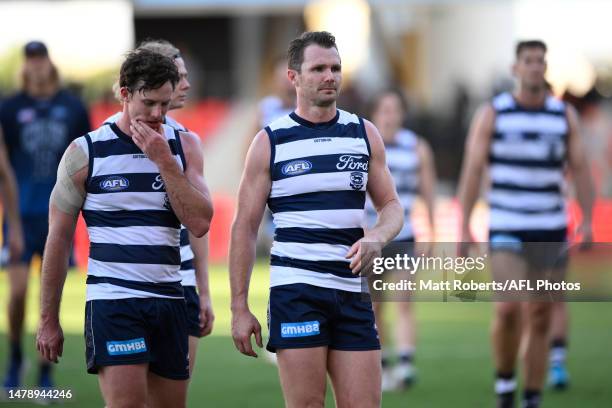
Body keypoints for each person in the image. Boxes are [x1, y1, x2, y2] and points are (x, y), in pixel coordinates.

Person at [229, 31, 403, 407]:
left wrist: (376, 236)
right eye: (319, 68)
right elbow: (243, 227)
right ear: (294, 77)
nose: (330, 76)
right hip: (297, 291)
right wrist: (239, 307)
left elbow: (391, 206)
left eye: (336, 68)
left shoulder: (363, 133)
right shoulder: (269, 141)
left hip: (352, 291)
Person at [36, 50, 213, 407]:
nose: (157, 115)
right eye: (148, 103)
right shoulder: (84, 152)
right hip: (114, 302)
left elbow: (199, 221)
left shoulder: (184, 146)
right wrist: (47, 319)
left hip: (169, 301)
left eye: (164, 104)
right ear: (124, 93)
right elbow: (57, 239)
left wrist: (163, 161)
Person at [458, 40, 594, 408]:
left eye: (540, 61)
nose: (535, 67)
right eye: (528, 61)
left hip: (551, 227)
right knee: (507, 307)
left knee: (540, 311)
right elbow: (471, 171)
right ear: (515, 69)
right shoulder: (493, 113)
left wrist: (587, 220)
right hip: (506, 224)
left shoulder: (563, 115)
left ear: (545, 68)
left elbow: (580, 168)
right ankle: (505, 385)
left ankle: (531, 396)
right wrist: (463, 226)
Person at [103, 39, 214, 378]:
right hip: (125, 288)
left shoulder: (187, 141)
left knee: (173, 391)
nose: (186, 84)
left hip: (180, 281)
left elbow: (199, 222)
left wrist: (203, 289)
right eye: (178, 76)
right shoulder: (107, 139)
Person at [0, 41, 91, 389]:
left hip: (61, 213)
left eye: (40, 58)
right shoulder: (9, 107)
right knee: (19, 291)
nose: (36, 66)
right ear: (25, 65)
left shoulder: (70, 106)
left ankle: (45, 373)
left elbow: (86, 155)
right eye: (30, 60)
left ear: (49, 62)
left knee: (50, 294)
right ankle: (15, 356)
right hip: (21, 213)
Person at [366, 89, 436, 391]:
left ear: (402, 113)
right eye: (384, 110)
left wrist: (432, 229)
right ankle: (381, 363)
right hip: (371, 237)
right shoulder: (364, 143)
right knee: (374, 305)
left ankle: (406, 363)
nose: (390, 115)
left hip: (405, 234)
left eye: (395, 109)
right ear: (375, 113)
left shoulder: (416, 147)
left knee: (404, 300)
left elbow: (428, 190)